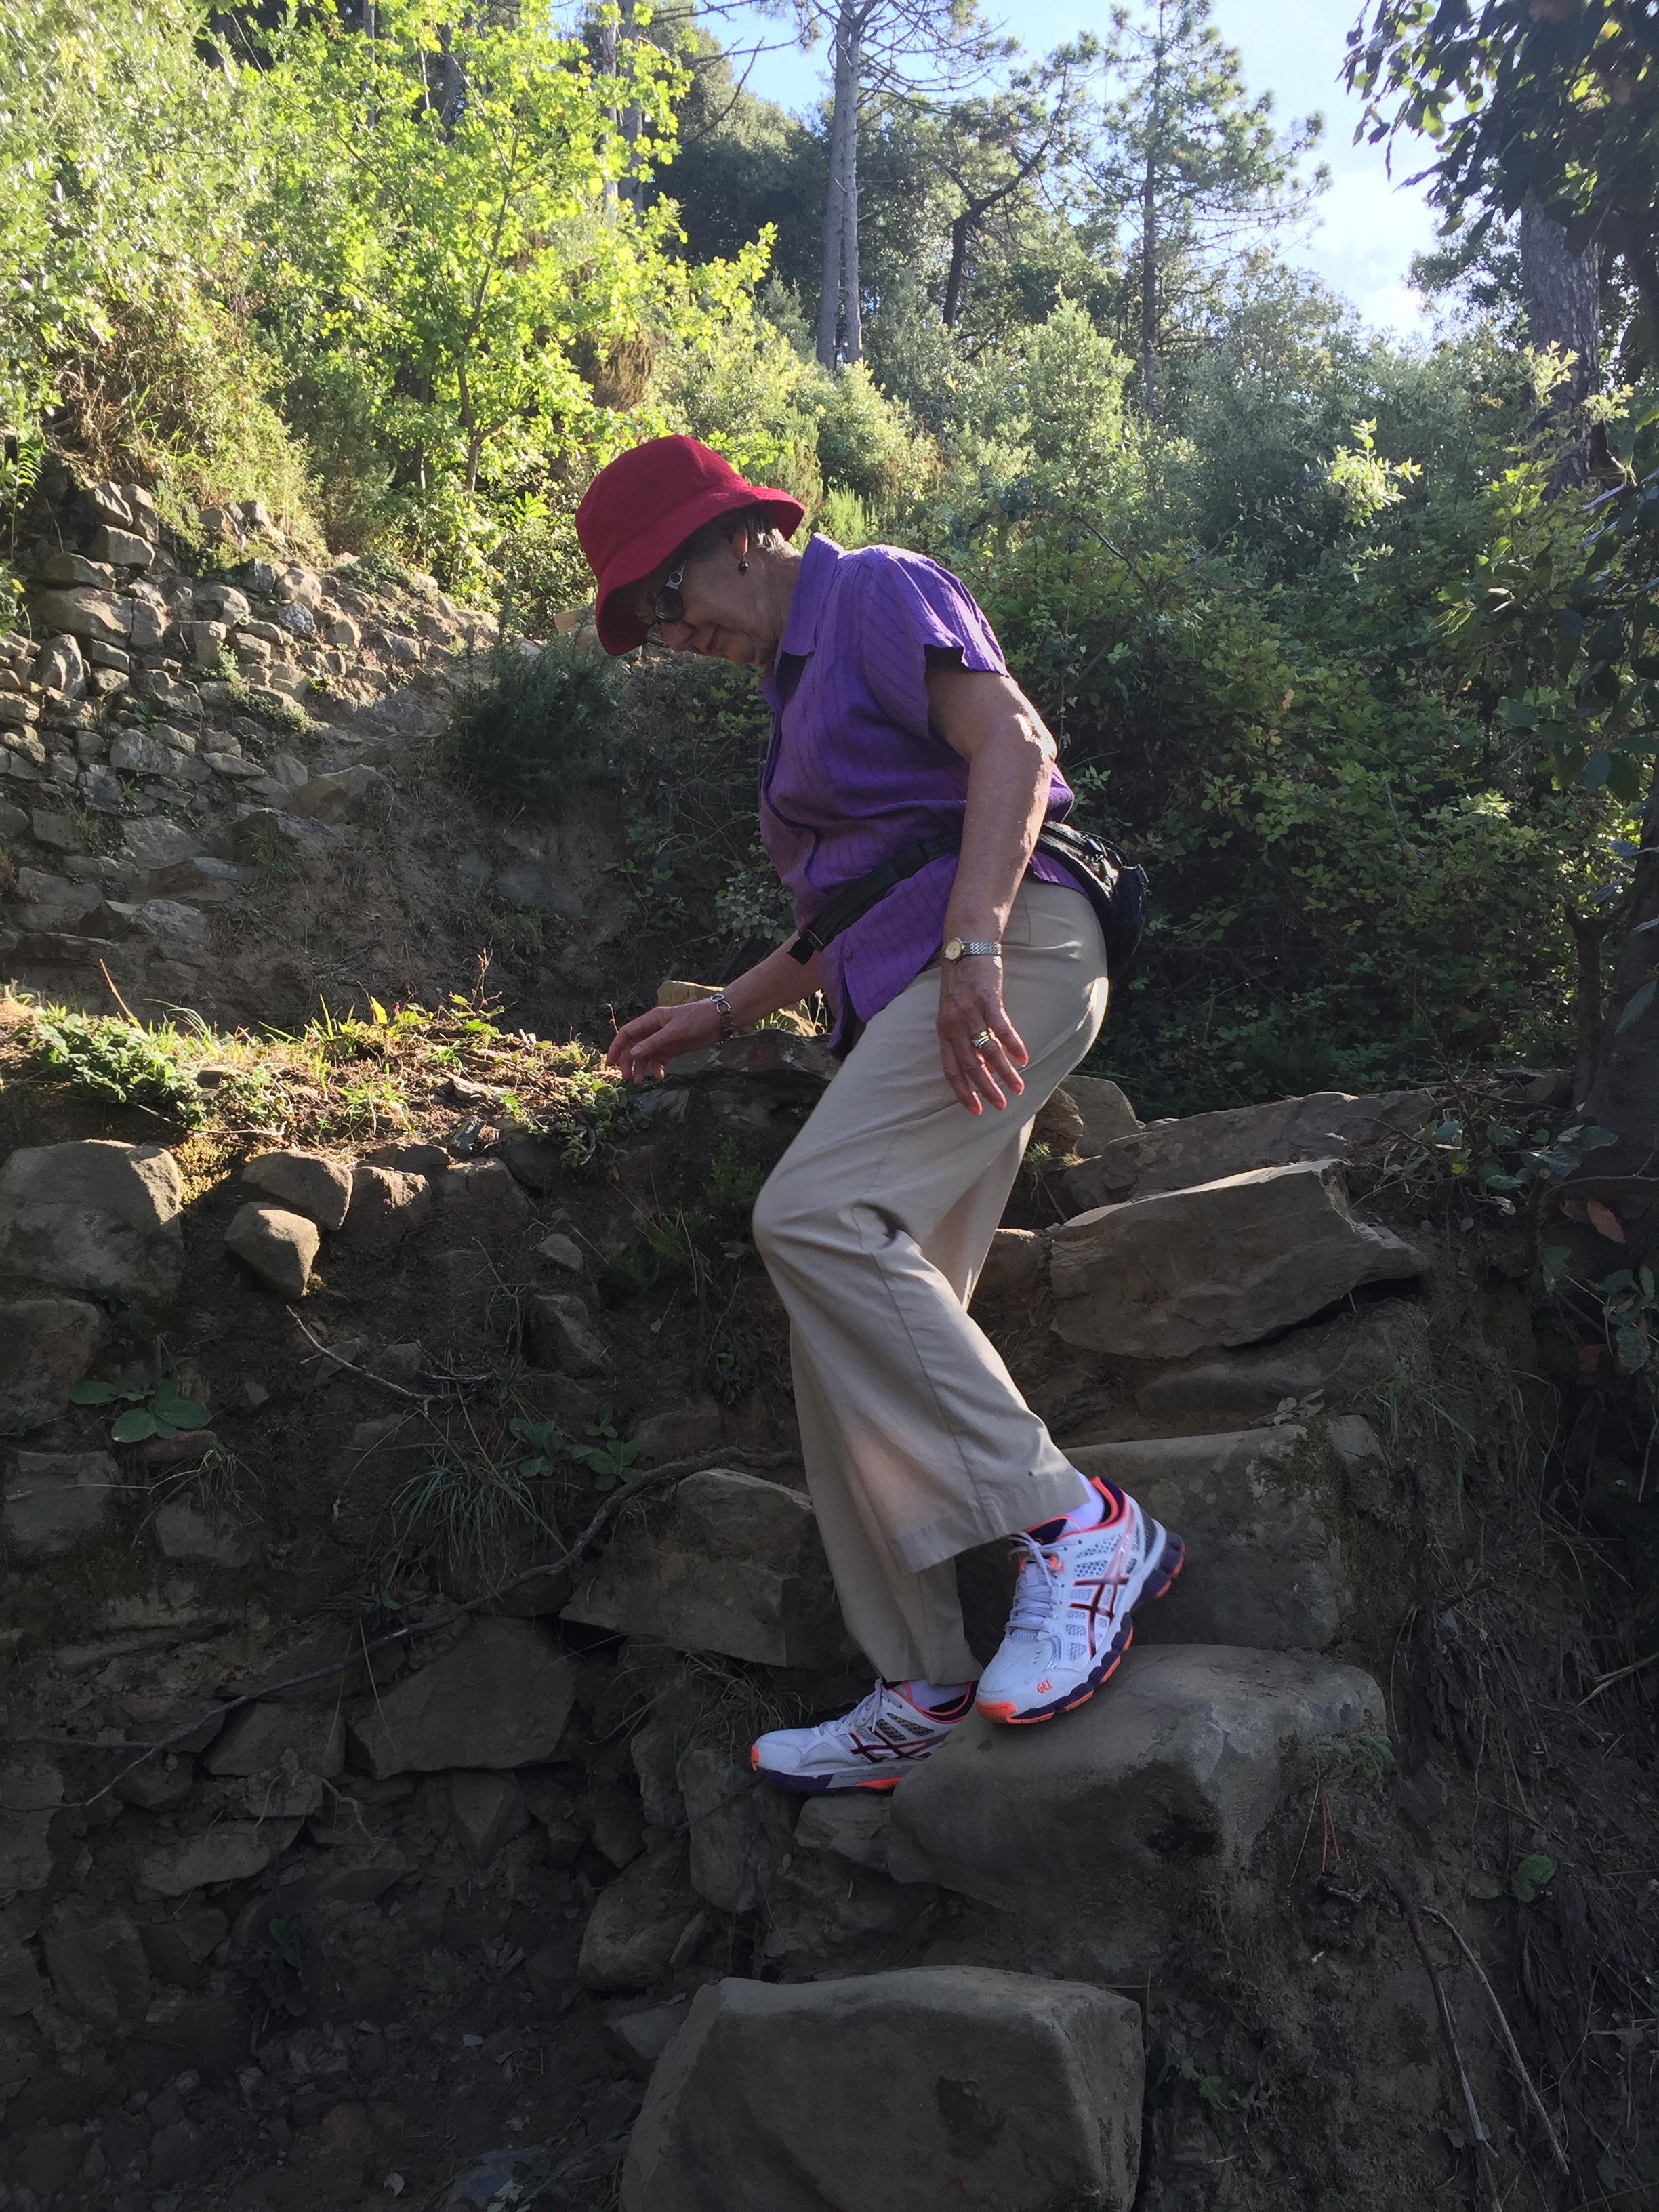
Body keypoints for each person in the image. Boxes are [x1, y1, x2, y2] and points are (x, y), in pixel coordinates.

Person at [577, 435, 1183, 1795]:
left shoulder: (871, 592)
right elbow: (849, 908)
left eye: (668, 595)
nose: (673, 633)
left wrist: (973, 950)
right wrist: (722, 1011)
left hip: (1016, 953)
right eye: (649, 625)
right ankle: (921, 1679)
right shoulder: (793, 696)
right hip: (921, 992)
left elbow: (1013, 743)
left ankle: (1078, 1529)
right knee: (843, 1321)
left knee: (812, 1214)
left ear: (742, 534)